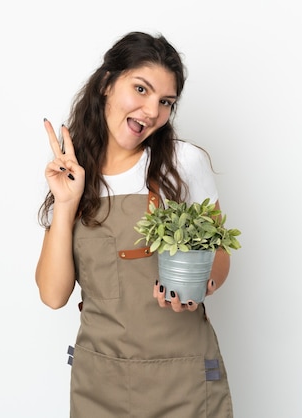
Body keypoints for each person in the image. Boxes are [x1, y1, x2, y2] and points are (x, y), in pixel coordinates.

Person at [36, 31, 234, 417]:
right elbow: (53, 294)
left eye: (165, 102)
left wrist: (198, 284)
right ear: (107, 84)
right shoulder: (75, 175)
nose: (151, 111)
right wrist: (66, 202)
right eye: (140, 89)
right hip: (100, 384)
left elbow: (220, 254)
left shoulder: (184, 164)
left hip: (184, 381)